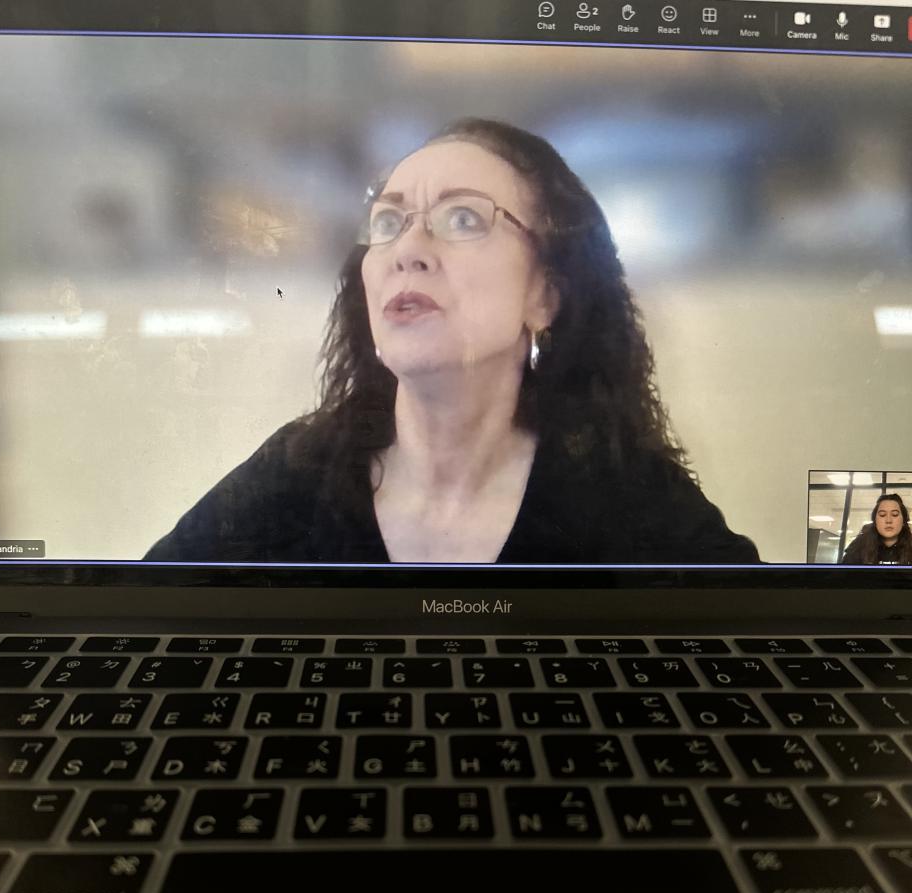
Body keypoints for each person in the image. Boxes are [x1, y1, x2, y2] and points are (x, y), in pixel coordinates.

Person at [145, 117, 760, 564]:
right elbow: (143, 613)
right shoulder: (295, 476)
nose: (407, 249)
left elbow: (754, 631)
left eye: (463, 218)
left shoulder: (625, 497)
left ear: (545, 295)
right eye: (389, 221)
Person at [841, 493, 912, 565]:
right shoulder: (858, 547)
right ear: (875, 521)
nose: (888, 520)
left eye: (895, 514)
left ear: (904, 520)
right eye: (882, 515)